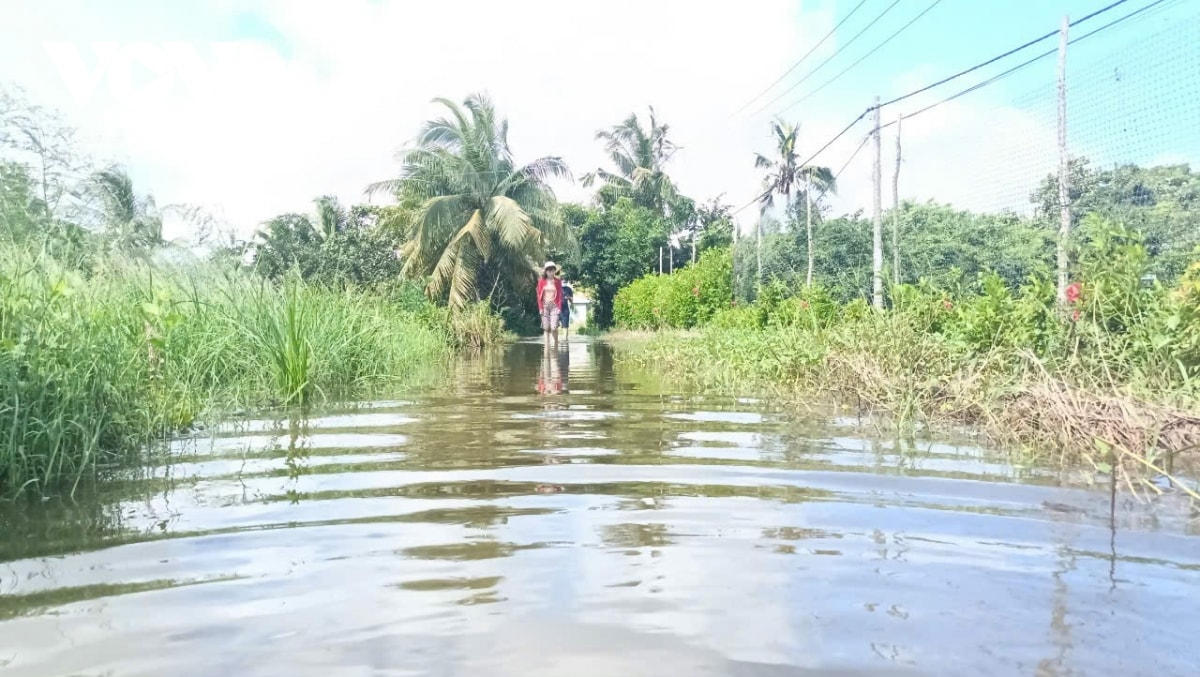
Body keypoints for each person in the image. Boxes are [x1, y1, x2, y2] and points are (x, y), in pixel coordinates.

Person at [536, 261, 563, 344]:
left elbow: (560, 295)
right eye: (549, 271)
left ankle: (555, 342)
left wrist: (559, 307)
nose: (551, 272)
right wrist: (540, 308)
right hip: (545, 306)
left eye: (552, 270)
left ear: (555, 271)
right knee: (546, 328)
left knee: (554, 327)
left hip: (554, 306)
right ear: (546, 271)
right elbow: (539, 296)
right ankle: (546, 350)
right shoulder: (541, 281)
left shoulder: (558, 281)